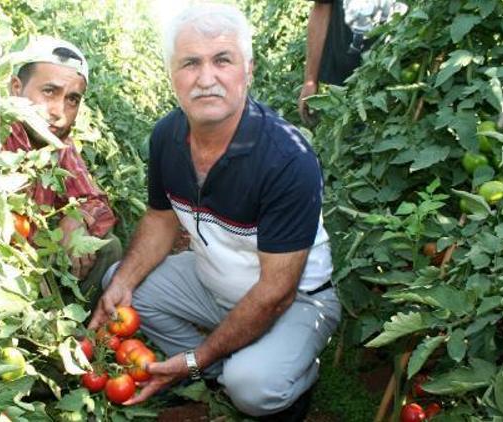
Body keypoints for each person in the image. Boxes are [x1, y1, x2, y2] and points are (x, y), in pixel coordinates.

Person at [88, 4, 341, 419]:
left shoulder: (286, 158)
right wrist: (125, 283)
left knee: (254, 388)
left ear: (248, 69)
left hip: (295, 299)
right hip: (212, 284)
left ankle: (280, 379)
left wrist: (194, 356)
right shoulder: (167, 136)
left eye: (222, 60)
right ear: (172, 74)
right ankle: (219, 366)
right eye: (190, 63)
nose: (206, 79)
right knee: (121, 283)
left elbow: (276, 293)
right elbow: (160, 219)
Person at [6, 36, 122, 305]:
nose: (59, 111)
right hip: (1, 259)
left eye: (72, 99)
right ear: (16, 88)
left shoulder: (60, 146)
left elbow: (96, 201)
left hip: (38, 252)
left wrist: (77, 217)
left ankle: (69, 329)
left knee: (108, 247)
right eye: (49, 91)